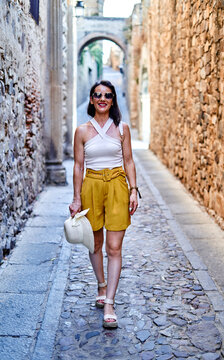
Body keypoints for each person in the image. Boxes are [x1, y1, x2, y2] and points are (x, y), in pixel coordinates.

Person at [69, 80, 140, 329]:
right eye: (97, 95)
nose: (102, 98)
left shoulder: (122, 129)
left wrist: (133, 189)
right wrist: (76, 197)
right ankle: (101, 284)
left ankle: (109, 302)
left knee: (114, 246)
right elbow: (78, 167)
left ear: (112, 100)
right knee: (96, 243)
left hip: (117, 185)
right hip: (92, 186)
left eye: (107, 95)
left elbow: (129, 160)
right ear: (91, 99)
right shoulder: (82, 131)